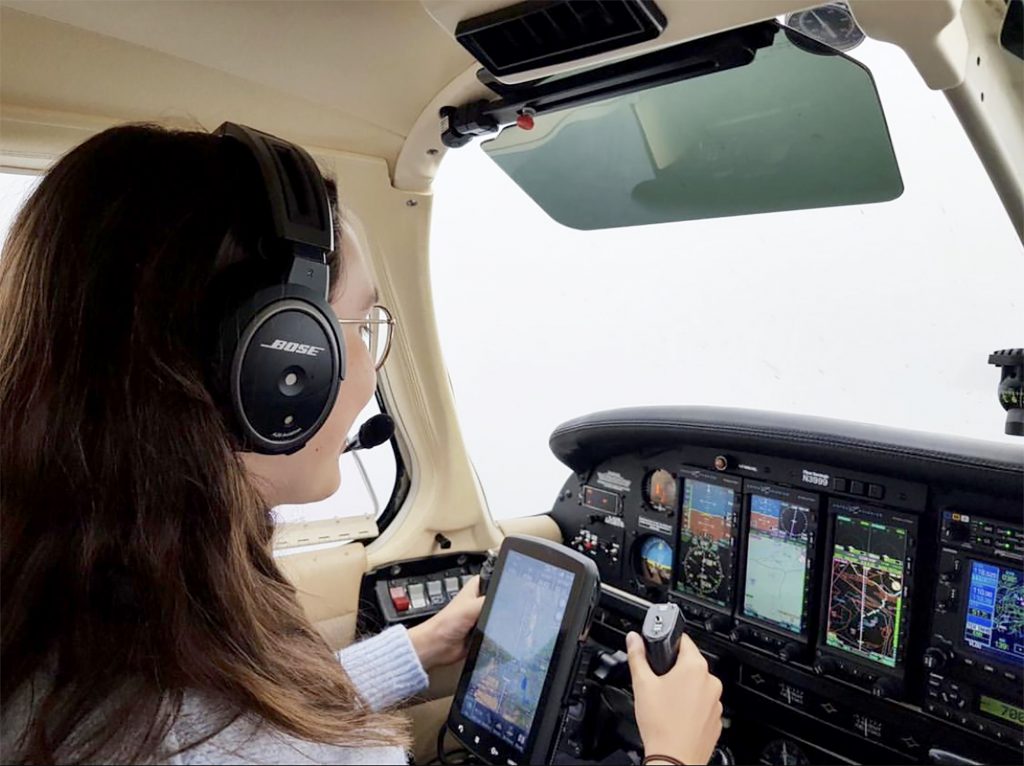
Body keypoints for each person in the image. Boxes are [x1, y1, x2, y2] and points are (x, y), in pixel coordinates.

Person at [0, 124, 722, 765]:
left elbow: (242, 713)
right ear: (278, 367)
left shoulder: (65, 612)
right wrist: (671, 752)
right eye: (360, 324)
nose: (370, 367)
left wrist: (419, 649)